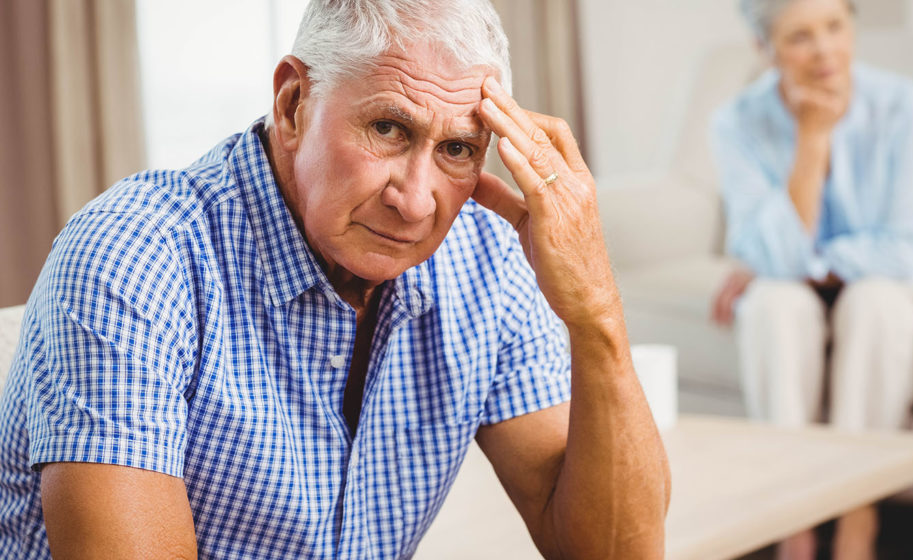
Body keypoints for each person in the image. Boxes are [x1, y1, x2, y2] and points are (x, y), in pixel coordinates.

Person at [0, 1, 670, 557]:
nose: (416, 199)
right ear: (293, 104)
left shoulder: (485, 257)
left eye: (458, 149)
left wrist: (595, 311)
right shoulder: (136, 255)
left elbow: (616, 552)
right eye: (388, 128)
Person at [709, 0, 913, 559]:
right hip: (798, 284)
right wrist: (813, 139)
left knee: (877, 302)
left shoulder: (905, 106)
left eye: (835, 26)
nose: (826, 49)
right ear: (766, 49)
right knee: (772, 304)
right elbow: (777, 264)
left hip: (891, 282)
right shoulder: (736, 122)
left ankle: (857, 515)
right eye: (801, 36)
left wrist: (795, 260)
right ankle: (793, 525)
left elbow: (902, 249)